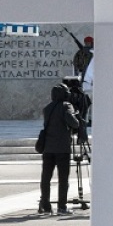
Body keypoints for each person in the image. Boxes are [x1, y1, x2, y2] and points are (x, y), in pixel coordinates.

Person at [39, 82, 81, 215]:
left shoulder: (47, 108)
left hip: (48, 149)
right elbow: (74, 123)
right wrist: (77, 117)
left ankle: (46, 206)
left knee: (46, 178)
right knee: (63, 179)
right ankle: (62, 207)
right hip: (62, 148)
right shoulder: (66, 106)